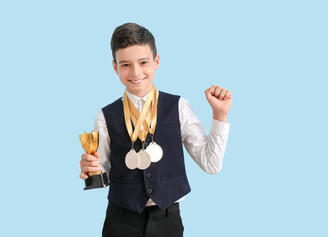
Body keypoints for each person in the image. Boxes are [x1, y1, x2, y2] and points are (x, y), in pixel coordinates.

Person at [80, 22, 232, 237]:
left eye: (143, 62)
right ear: (115, 67)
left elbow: (211, 164)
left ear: (156, 61)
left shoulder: (179, 107)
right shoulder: (105, 116)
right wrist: (90, 169)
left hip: (168, 220)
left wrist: (220, 116)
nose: (136, 72)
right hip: (120, 221)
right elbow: (101, 175)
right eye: (125, 65)